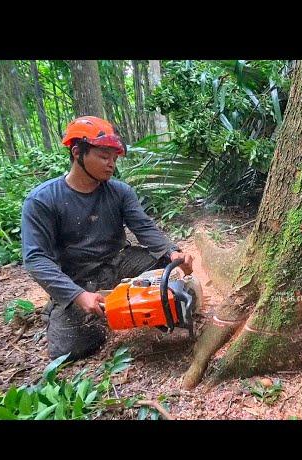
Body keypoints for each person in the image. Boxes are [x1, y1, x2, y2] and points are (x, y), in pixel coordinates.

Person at [21, 116, 193, 361]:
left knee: (168, 279)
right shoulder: (42, 200)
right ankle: (67, 310)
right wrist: (78, 296)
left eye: (114, 158)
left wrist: (172, 252)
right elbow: (36, 259)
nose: (111, 164)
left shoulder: (120, 191)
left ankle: (135, 307)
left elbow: (143, 227)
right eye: (104, 156)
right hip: (78, 277)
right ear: (77, 152)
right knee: (69, 350)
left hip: (120, 262)